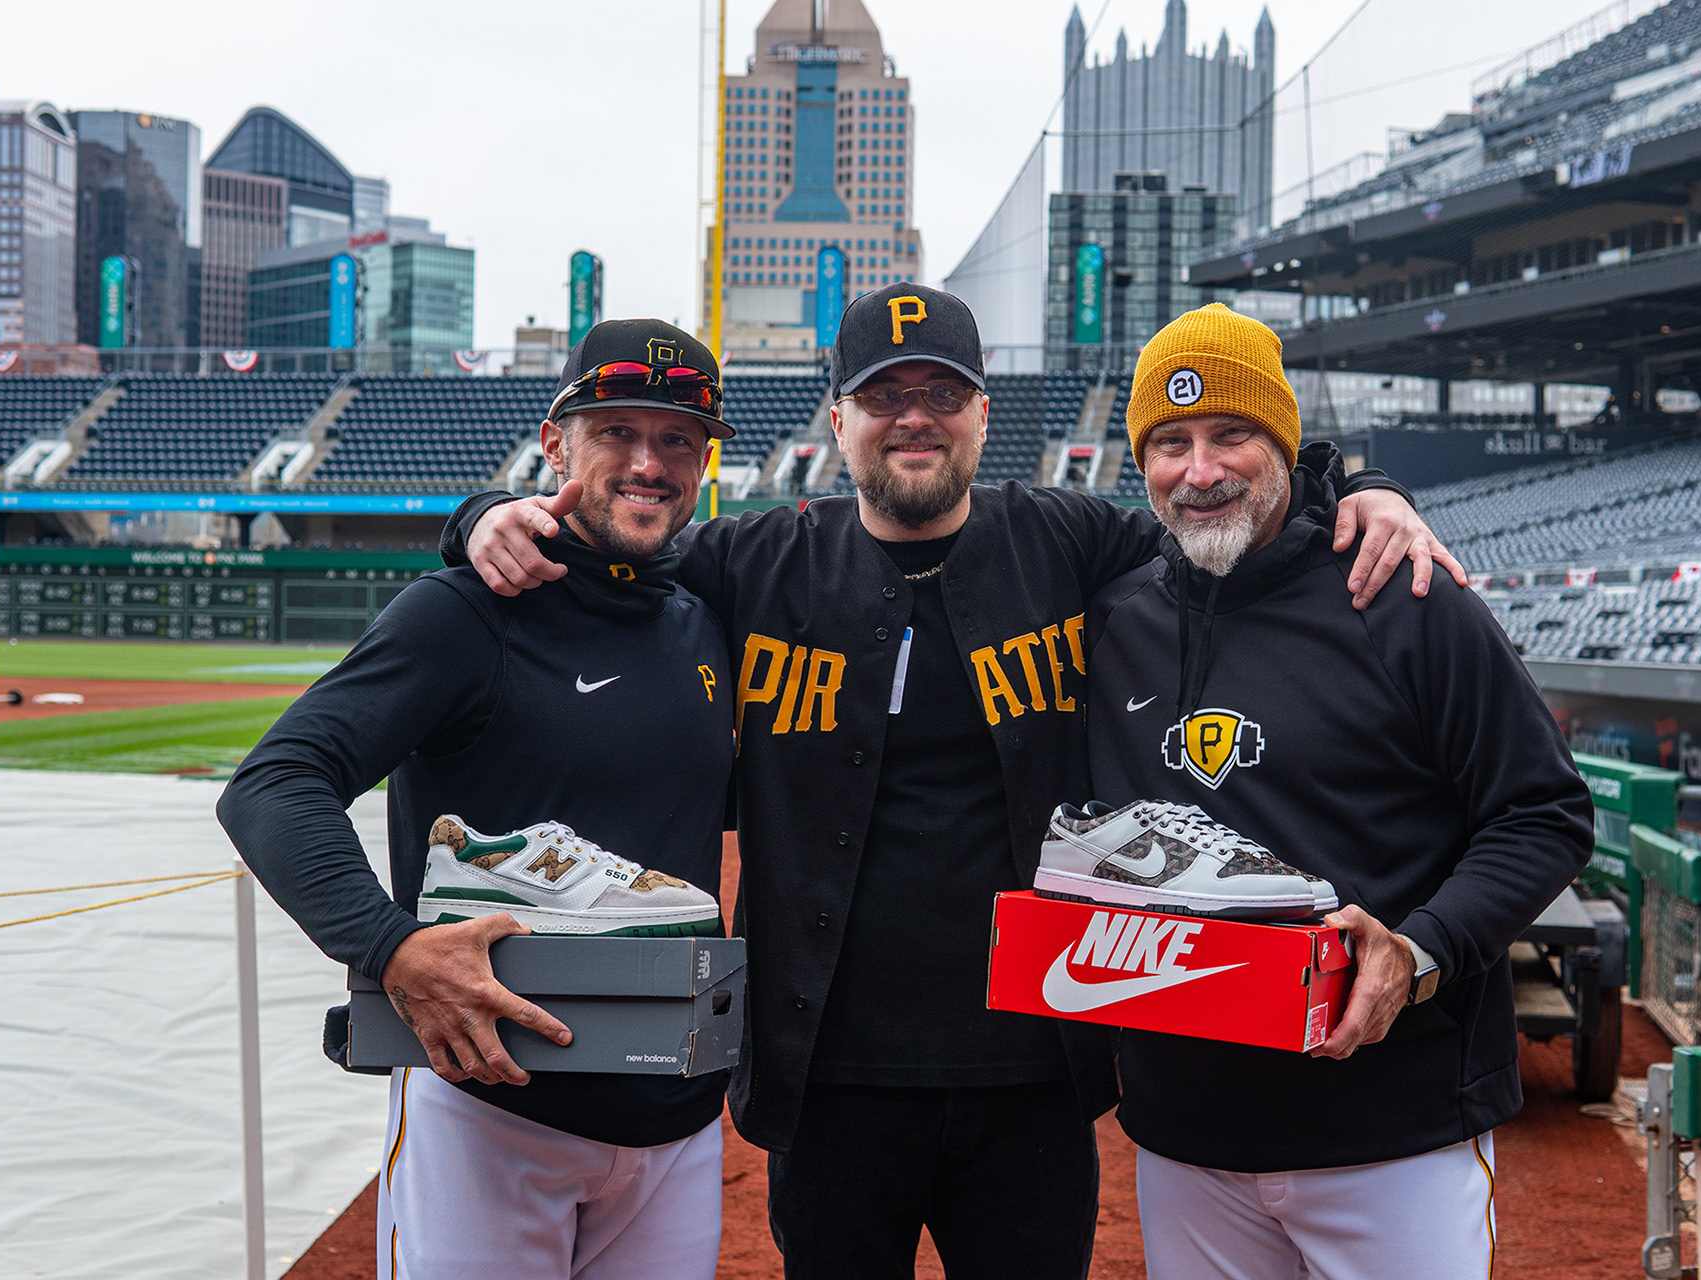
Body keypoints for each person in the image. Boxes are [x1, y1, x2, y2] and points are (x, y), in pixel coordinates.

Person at [447, 284, 1463, 1279]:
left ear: (984, 413)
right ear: (838, 417)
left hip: (1033, 1072)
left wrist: (1362, 486)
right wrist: (483, 511)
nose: (915, 418)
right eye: (887, 395)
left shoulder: (1071, 538)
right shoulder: (749, 559)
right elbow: (604, 550)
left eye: (942, 392)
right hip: (827, 1078)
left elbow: (1236, 515)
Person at [1080, 303, 1594, 1279]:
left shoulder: (1404, 595)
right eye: (1170, 442)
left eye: (1232, 433)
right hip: (1189, 1137)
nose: (1201, 470)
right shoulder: (1113, 616)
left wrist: (1420, 950)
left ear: (1285, 439)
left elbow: (1544, 810)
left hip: (1394, 1132)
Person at [217, 320, 739, 1280]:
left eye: (676, 439)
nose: (648, 462)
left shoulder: (706, 617)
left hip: (676, 1120)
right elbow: (273, 785)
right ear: (555, 443)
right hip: (494, 1106)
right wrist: (391, 947)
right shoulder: (464, 613)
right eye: (615, 431)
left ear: (704, 461)